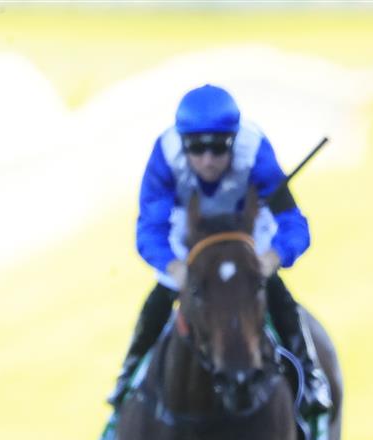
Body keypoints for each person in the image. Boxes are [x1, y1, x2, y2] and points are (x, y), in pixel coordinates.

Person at [108, 84, 332, 416]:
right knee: (162, 292)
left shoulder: (255, 150)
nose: (208, 160)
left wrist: (276, 256)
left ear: (234, 139)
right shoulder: (165, 154)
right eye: (196, 149)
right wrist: (173, 267)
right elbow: (149, 228)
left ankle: (311, 376)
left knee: (272, 289)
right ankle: (129, 374)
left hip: (245, 227)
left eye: (218, 147)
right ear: (182, 143)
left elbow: (294, 223)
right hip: (189, 229)